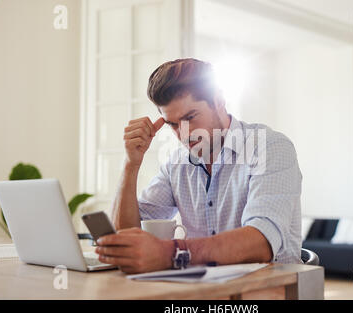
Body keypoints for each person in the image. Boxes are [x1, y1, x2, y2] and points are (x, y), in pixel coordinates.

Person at [95, 58, 303, 274]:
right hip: (201, 290)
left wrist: (169, 253)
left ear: (219, 100)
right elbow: (126, 239)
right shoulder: (177, 164)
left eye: (190, 117)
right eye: (173, 124)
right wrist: (131, 163)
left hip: (269, 290)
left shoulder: (270, 147)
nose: (183, 133)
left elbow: (261, 243)